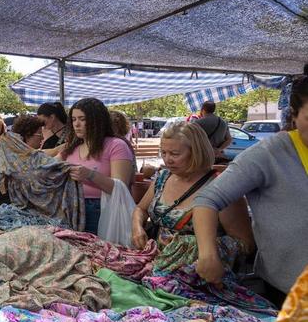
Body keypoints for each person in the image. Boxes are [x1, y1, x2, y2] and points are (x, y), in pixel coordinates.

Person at [193, 75, 308, 305]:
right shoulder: (271, 153)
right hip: (288, 294)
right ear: (294, 115)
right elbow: (207, 199)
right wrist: (208, 254)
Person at [131, 121, 253, 260]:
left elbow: (246, 245)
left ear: (196, 152)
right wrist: (137, 228)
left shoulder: (221, 188)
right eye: (163, 153)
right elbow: (140, 209)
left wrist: (195, 246)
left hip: (198, 275)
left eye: (175, 154)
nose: (167, 160)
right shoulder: (162, 178)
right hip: (157, 266)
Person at [60, 97, 134, 235]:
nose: (77, 124)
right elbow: (46, 165)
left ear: (97, 121)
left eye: (82, 119)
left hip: (102, 211)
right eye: (74, 119)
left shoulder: (116, 145)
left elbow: (120, 188)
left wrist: (90, 175)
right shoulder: (72, 147)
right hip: (72, 211)